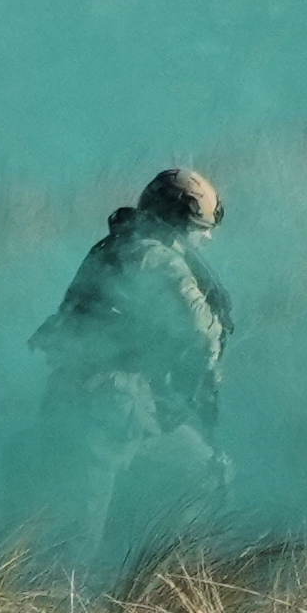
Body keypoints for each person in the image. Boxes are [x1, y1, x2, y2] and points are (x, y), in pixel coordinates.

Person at [28, 168, 233, 551]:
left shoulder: (113, 246)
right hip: (114, 407)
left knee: (200, 471)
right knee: (76, 538)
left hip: (88, 400)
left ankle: (131, 582)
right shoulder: (156, 257)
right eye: (198, 228)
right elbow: (203, 333)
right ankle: (125, 589)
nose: (205, 238)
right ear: (176, 221)